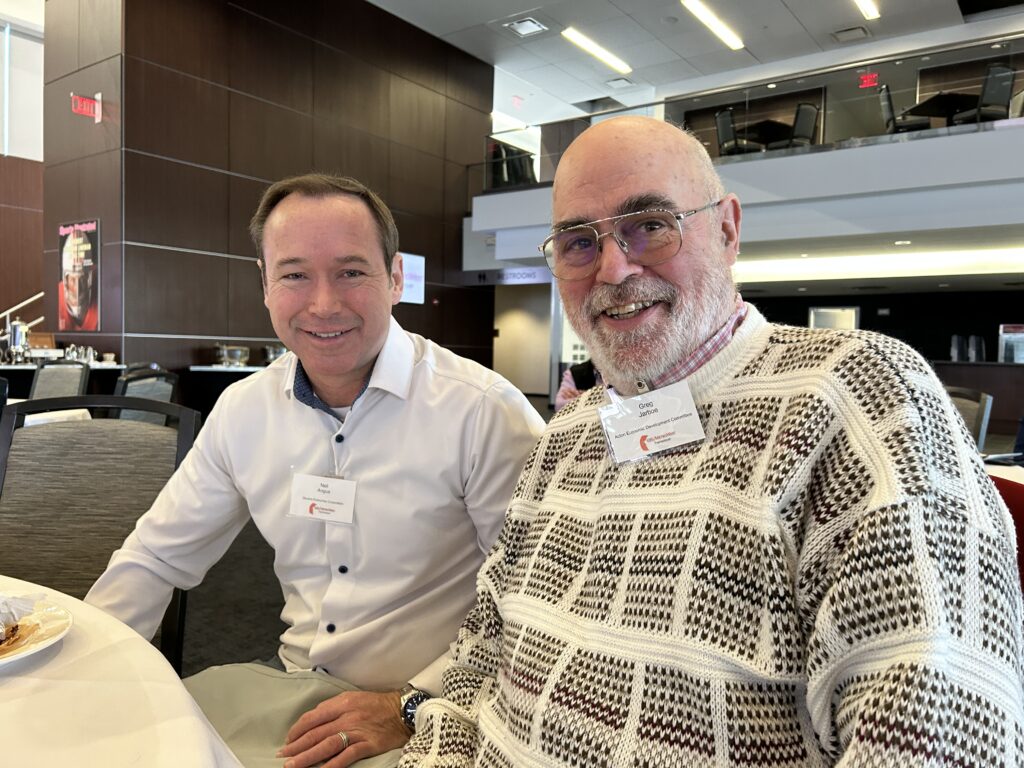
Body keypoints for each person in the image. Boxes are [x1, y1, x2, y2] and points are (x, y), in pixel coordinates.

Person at [400, 116, 1024, 766]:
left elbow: (937, 737)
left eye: (650, 225)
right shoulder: (567, 434)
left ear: (727, 229)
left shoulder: (859, 395)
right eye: (579, 242)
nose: (613, 268)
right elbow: (480, 656)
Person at [85, 173, 545, 768]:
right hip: (296, 693)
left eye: (351, 272)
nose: (323, 304)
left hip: (430, 709)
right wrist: (79, 673)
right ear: (265, 284)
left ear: (395, 277)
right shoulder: (244, 410)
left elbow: (534, 603)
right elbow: (156, 557)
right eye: (295, 275)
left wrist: (412, 703)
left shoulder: (482, 411)